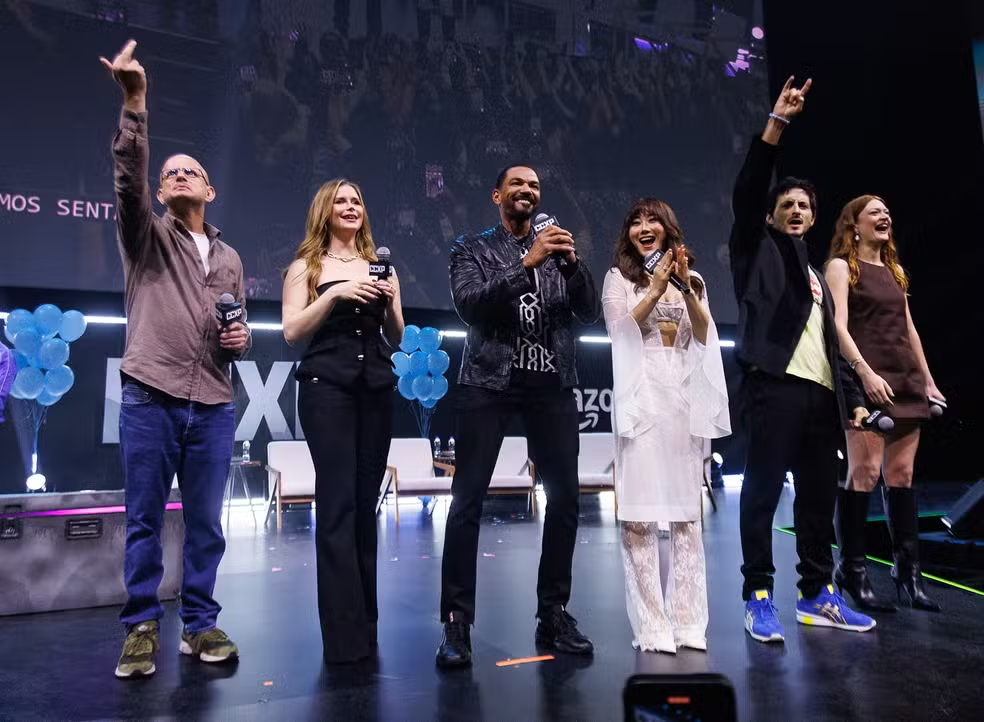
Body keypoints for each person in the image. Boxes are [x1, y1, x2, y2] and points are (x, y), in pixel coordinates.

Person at [100, 41, 249, 678]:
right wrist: (135, 103)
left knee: (207, 524)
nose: (181, 175)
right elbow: (128, 177)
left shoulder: (231, 258)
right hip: (151, 395)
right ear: (161, 190)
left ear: (210, 189)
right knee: (142, 521)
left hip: (213, 403)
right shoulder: (145, 233)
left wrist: (237, 344)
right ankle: (140, 629)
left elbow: (230, 327)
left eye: (193, 171)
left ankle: (200, 625)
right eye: (172, 172)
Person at [436, 164, 601, 668]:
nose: (527, 191)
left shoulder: (558, 247)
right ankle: (457, 624)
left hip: (550, 384)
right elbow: (470, 306)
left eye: (534, 186)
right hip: (489, 381)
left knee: (566, 500)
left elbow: (589, 311)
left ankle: (553, 612)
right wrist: (525, 263)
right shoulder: (471, 248)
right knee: (467, 502)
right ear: (497, 195)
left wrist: (571, 265)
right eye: (517, 185)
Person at [729, 77, 875, 643]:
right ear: (771, 216)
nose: (795, 210)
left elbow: (834, 347)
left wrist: (854, 402)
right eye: (786, 204)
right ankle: (757, 596)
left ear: (814, 219)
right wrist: (777, 124)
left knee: (817, 502)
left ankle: (816, 594)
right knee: (762, 495)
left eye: (804, 206)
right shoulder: (756, 249)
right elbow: (747, 192)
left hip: (820, 400)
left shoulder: (817, 278)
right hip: (775, 389)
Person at [282, 179, 405, 663]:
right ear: (325, 211)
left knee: (363, 503)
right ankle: (341, 634)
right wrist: (335, 295)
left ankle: (367, 624)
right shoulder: (306, 267)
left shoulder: (381, 266)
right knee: (336, 505)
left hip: (375, 388)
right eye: (342, 200)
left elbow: (394, 333)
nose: (351, 206)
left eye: (357, 200)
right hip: (325, 388)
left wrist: (392, 296)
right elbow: (292, 331)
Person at [602, 198, 731, 653]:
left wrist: (685, 287)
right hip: (641, 399)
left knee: (686, 516)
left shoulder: (691, 278)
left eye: (652, 220)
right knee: (638, 515)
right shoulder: (618, 279)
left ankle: (689, 623)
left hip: (680, 399)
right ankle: (652, 626)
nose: (643, 227)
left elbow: (703, 332)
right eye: (635, 221)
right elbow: (619, 333)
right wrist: (654, 290)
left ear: (668, 229)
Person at [825, 195, 942, 612]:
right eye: (874, 211)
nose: (884, 215)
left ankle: (908, 574)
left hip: (904, 379)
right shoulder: (841, 267)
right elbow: (836, 326)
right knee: (865, 472)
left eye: (887, 211)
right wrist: (864, 372)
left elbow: (909, 330)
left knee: (902, 475)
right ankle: (851, 569)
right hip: (865, 381)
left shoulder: (893, 270)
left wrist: (927, 380)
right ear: (854, 225)